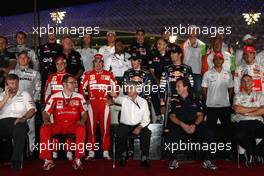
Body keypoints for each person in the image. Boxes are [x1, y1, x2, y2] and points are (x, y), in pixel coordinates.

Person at [166, 78, 217, 170]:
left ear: (185, 87)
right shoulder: (173, 101)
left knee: (209, 133)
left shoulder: (196, 99)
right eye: (176, 86)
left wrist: (195, 125)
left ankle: (207, 159)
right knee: (172, 133)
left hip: (195, 125)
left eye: (178, 86)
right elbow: (172, 116)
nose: (176, 88)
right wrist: (183, 125)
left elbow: (200, 115)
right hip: (180, 125)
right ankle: (173, 159)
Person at [40, 74, 88, 171]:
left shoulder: (79, 97)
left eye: (75, 83)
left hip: (73, 125)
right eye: (72, 83)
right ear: (64, 84)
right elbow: (46, 112)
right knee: (44, 128)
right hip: (58, 125)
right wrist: (46, 120)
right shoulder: (54, 96)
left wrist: (82, 121)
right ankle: (48, 160)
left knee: (81, 128)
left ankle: (78, 159)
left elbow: (84, 113)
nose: (75, 85)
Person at [79, 54, 117, 160]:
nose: (98, 64)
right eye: (96, 62)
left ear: (103, 63)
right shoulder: (87, 74)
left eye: (100, 62)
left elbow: (116, 88)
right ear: (93, 63)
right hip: (91, 105)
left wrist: (113, 100)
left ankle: (105, 151)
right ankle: (91, 152)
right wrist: (85, 101)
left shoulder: (109, 74)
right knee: (91, 129)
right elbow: (82, 89)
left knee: (105, 129)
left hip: (104, 105)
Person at [110, 81, 151, 168]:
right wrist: (114, 95)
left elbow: (146, 119)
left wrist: (139, 127)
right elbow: (116, 99)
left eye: (131, 88)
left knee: (147, 132)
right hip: (125, 125)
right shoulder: (124, 99)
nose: (128, 90)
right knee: (120, 133)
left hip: (138, 125)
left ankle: (144, 157)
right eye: (127, 88)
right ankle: (123, 154)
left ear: (137, 90)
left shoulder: (143, 102)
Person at [0, 74, 36, 170]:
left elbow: (32, 110)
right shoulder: (1, 95)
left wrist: (24, 118)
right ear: (6, 85)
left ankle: (16, 161)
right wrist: (6, 97)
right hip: (2, 122)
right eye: (11, 84)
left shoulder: (24, 94)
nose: (14, 86)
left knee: (20, 127)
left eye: (16, 83)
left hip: (19, 120)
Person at [202, 52, 234, 158]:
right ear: (213, 61)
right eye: (216, 59)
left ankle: (227, 154)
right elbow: (204, 89)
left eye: (220, 59)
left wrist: (226, 100)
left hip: (225, 107)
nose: (218, 61)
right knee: (211, 132)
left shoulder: (228, 74)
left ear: (223, 61)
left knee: (226, 131)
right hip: (211, 107)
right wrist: (209, 100)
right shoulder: (207, 73)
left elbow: (230, 89)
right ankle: (210, 154)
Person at [9, 51, 41, 153]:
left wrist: (34, 102)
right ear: (18, 60)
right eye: (21, 58)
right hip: (15, 105)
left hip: (29, 105)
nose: (23, 59)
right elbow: (8, 88)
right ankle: (17, 151)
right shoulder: (12, 72)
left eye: (25, 58)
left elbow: (38, 89)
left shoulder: (35, 73)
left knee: (31, 129)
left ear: (29, 59)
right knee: (15, 128)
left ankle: (31, 150)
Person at [233, 74, 264, 167]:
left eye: (249, 80)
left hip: (257, 121)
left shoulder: (260, 95)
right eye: (244, 81)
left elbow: (263, 110)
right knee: (238, 135)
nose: (247, 83)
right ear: (241, 83)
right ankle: (252, 153)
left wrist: (246, 112)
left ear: (253, 82)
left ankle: (255, 153)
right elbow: (237, 110)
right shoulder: (238, 95)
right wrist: (255, 108)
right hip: (243, 122)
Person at [160, 44, 194, 116]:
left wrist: (189, 100)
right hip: (169, 99)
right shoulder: (166, 68)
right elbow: (162, 86)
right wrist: (162, 104)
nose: (171, 55)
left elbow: (191, 86)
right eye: (171, 53)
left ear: (180, 55)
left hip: (183, 100)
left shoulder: (187, 69)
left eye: (174, 53)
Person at [38, 30, 62, 103]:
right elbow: (39, 60)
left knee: (57, 89)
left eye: (53, 33)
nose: (51, 35)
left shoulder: (60, 47)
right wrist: (45, 70)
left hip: (56, 73)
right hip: (45, 73)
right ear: (48, 35)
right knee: (44, 90)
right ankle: (44, 106)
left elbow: (61, 60)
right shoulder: (42, 47)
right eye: (50, 33)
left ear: (55, 35)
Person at [181, 27, 206, 98]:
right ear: (188, 32)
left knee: (198, 90)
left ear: (197, 32)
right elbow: (181, 57)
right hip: (186, 72)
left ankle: (197, 105)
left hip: (197, 72)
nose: (192, 33)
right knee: (187, 90)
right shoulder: (183, 44)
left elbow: (204, 58)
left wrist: (203, 71)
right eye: (191, 31)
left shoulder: (202, 45)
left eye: (194, 31)